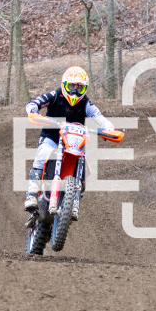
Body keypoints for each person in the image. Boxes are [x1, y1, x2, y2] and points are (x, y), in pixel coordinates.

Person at [23, 66, 114, 215]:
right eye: (72, 86)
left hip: (74, 144)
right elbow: (36, 102)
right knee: (42, 155)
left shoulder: (86, 103)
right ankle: (31, 194)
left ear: (84, 89)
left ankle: (74, 197)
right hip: (51, 138)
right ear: (65, 84)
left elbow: (99, 117)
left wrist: (108, 128)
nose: (75, 92)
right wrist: (33, 110)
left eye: (79, 88)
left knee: (85, 164)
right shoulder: (55, 95)